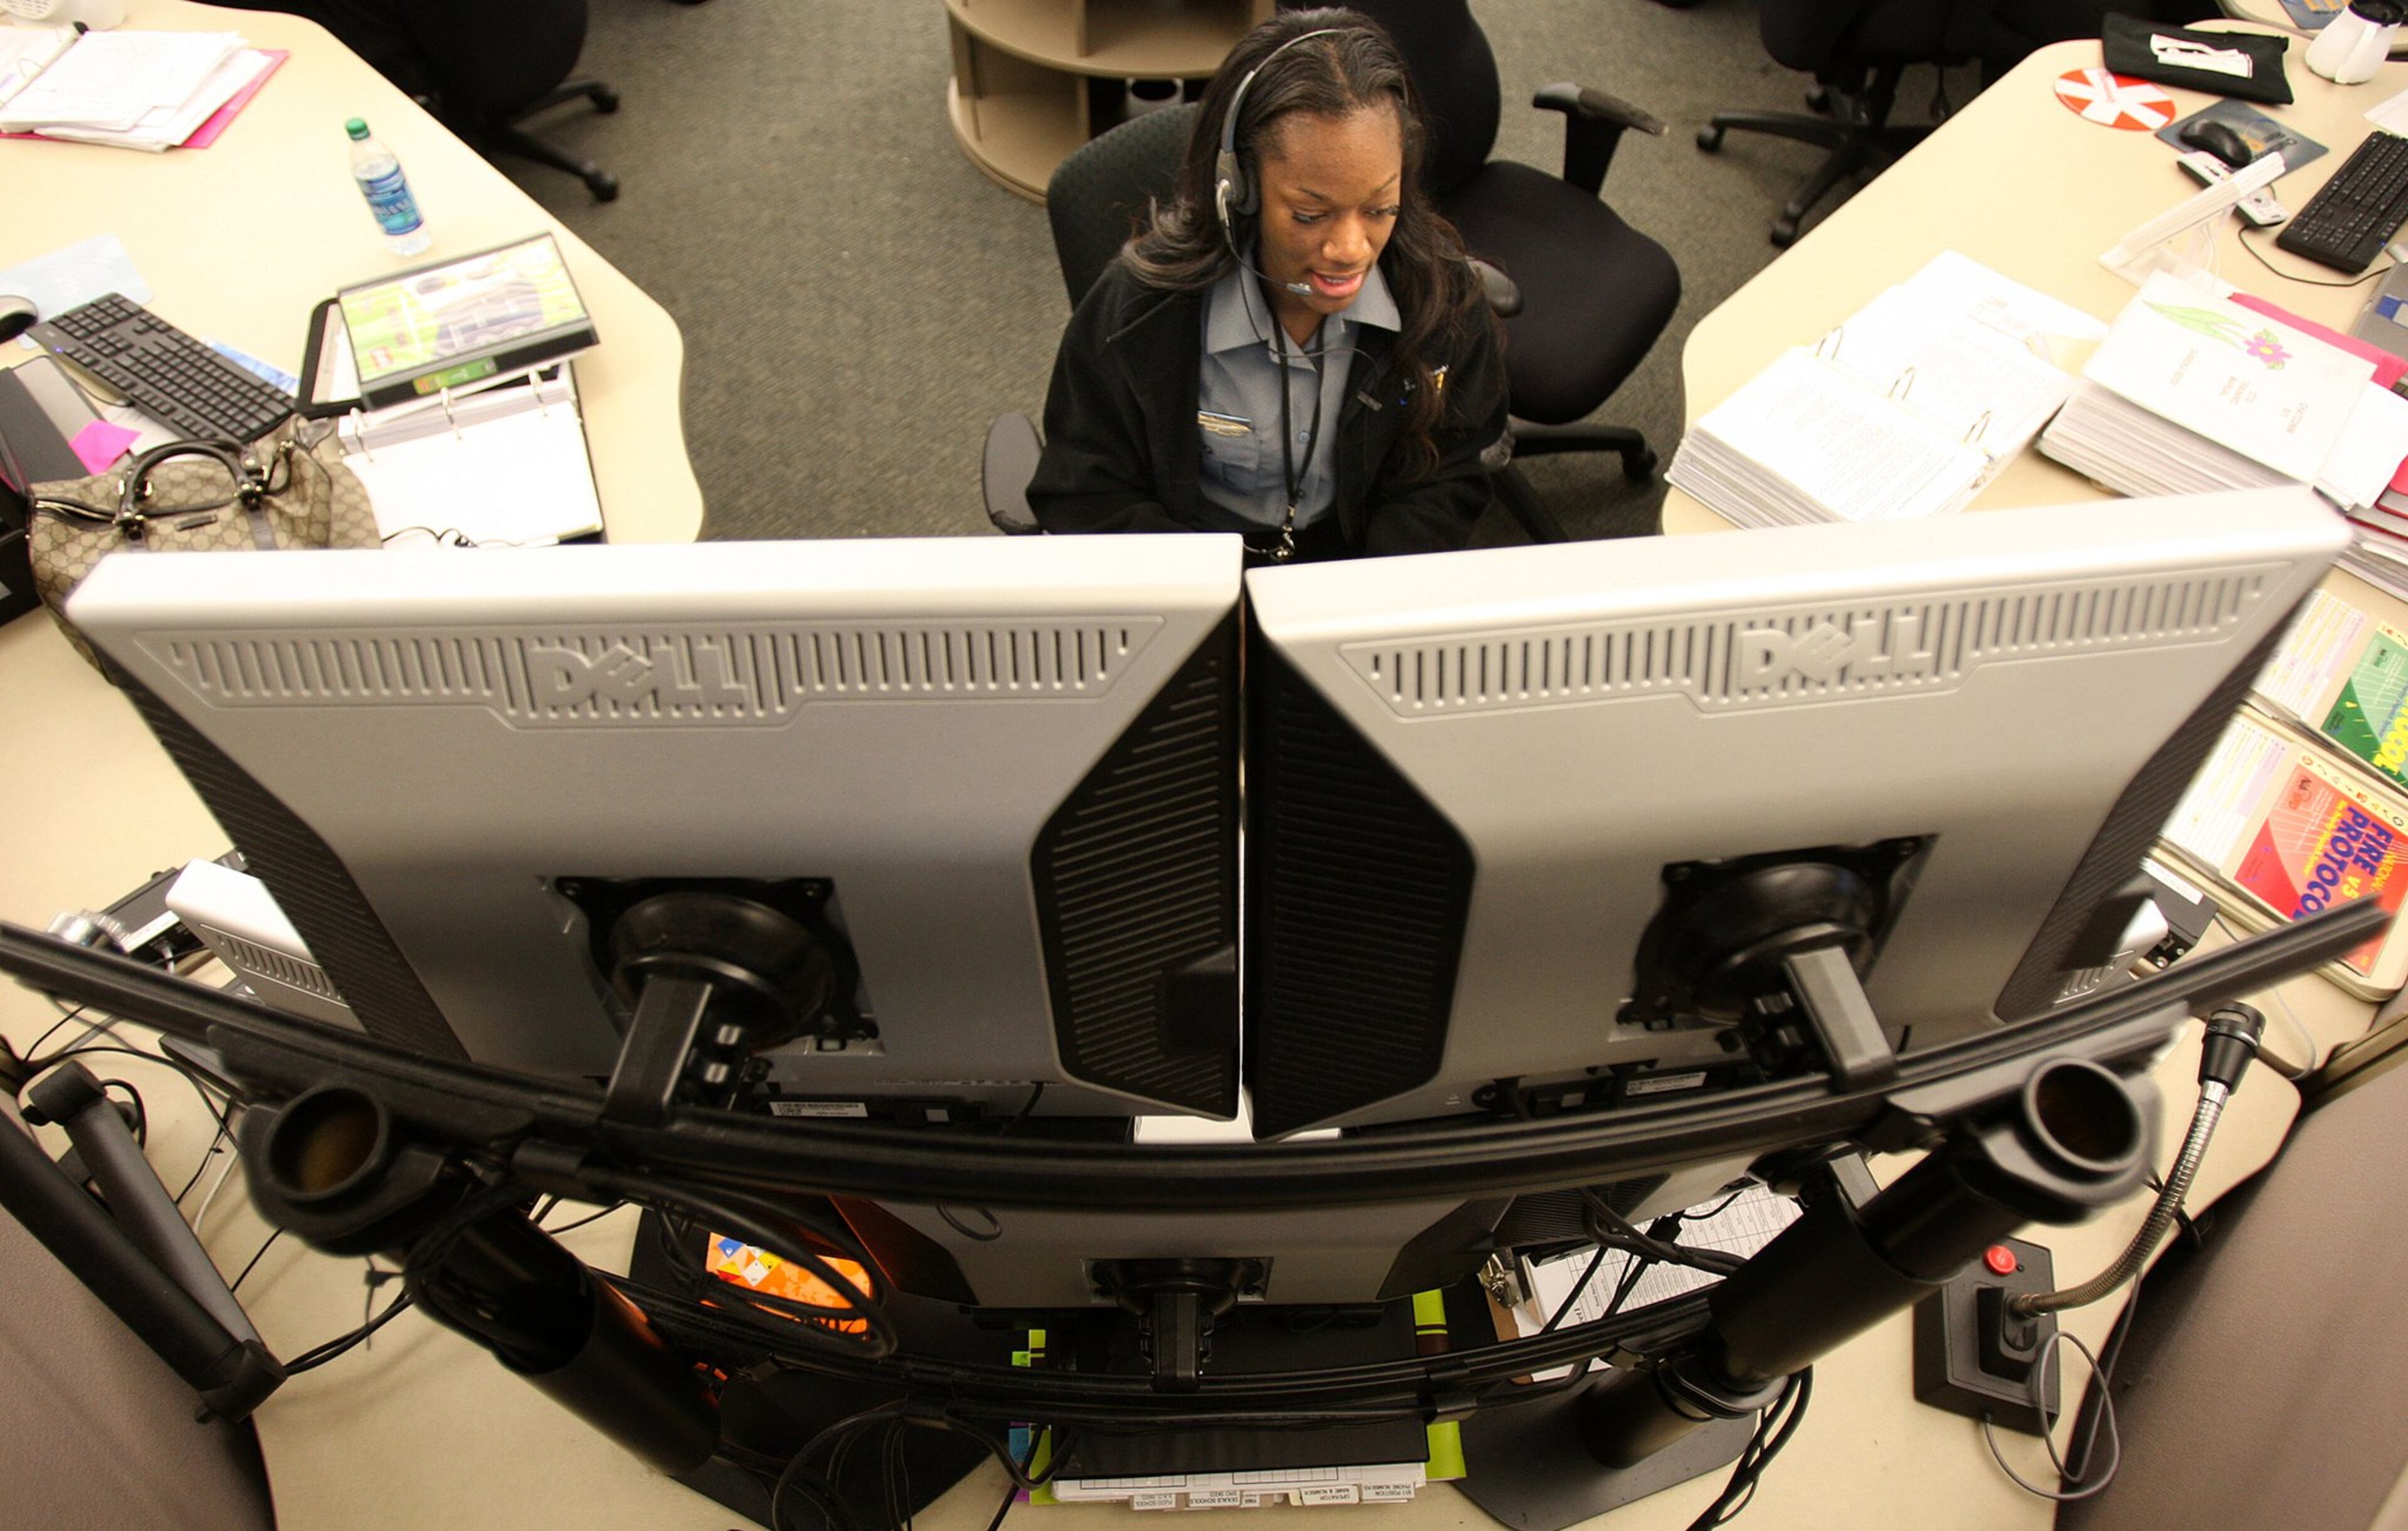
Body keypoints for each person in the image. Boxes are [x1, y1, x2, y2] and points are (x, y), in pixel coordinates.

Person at [1025, 9, 1510, 561]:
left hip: (1358, 574)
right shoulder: (1138, 309)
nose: (1351, 249)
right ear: (1240, 192)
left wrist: (1370, 593)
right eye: (1310, 214)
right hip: (1195, 568)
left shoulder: (1441, 303)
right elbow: (1086, 492)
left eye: (1380, 207)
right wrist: (1209, 595)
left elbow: (1450, 473)